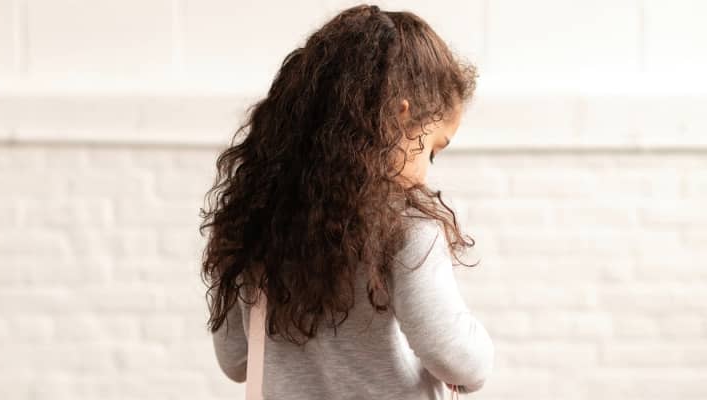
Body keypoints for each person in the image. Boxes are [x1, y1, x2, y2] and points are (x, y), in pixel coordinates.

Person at [200, 4, 494, 399]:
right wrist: (480, 355)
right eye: (432, 150)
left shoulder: (253, 223)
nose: (426, 172)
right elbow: (455, 357)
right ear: (398, 117)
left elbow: (236, 360)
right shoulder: (408, 230)